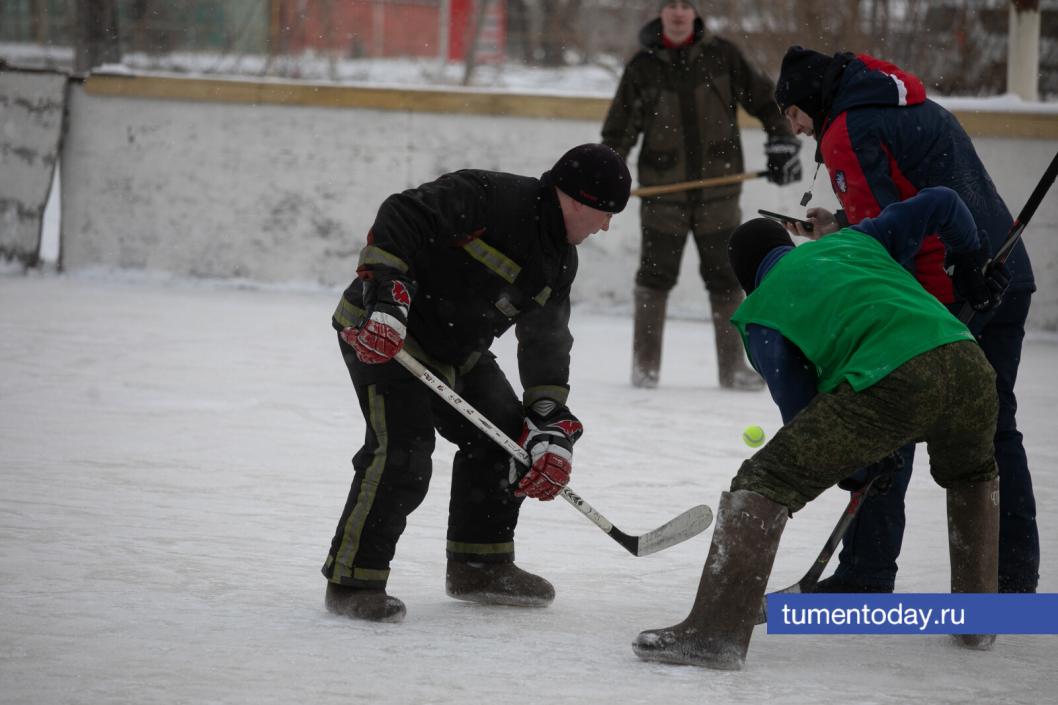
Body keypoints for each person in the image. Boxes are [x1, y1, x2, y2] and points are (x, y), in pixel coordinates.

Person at [633, 187, 1002, 670]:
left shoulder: (763, 308)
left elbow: (802, 414)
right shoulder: (854, 241)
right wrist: (970, 260)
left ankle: (715, 633)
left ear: (746, 280)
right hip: (969, 361)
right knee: (971, 476)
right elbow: (943, 202)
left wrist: (858, 468)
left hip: (894, 378)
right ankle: (978, 622)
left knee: (766, 478)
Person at [321, 144, 632, 623]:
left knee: (507, 440)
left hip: (457, 353)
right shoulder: (489, 196)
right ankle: (353, 580)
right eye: (605, 213)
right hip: (384, 335)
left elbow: (546, 342)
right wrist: (388, 297)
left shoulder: (559, 262)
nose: (606, 226)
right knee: (403, 451)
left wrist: (549, 418)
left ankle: (479, 565)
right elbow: (402, 213)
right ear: (576, 199)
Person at [773, 46, 1039, 594]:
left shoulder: (846, 130)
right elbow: (909, 203)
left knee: (880, 415)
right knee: (994, 426)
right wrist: (843, 223)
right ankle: (1011, 579)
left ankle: (866, 573)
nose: (796, 129)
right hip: (1006, 274)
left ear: (810, 100)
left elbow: (886, 248)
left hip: (947, 290)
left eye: (793, 114)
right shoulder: (910, 103)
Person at [601, 0, 802, 391]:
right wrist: (609, 172)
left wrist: (781, 140)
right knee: (654, 279)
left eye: (685, 5)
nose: (678, 12)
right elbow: (617, 132)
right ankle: (645, 369)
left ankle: (734, 369)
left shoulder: (723, 56)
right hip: (662, 194)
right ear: (661, 13)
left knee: (726, 278)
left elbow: (766, 101)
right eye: (671, 5)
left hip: (719, 192)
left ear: (694, 13)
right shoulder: (642, 67)